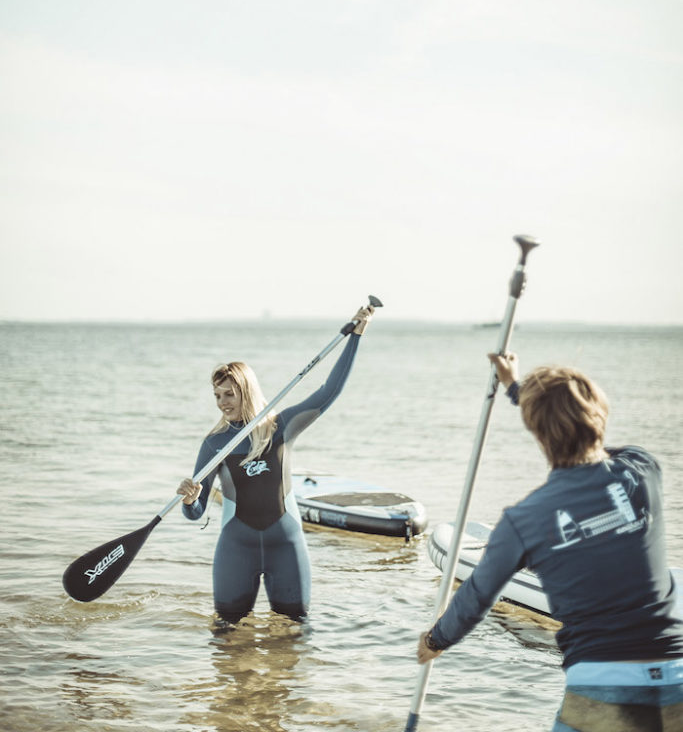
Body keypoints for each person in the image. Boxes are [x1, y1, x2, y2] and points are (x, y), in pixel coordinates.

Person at [417, 352, 683, 731]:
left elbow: (478, 595)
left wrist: (436, 639)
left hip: (602, 689)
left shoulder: (524, 520)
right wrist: (517, 388)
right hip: (675, 679)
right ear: (599, 414)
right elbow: (594, 444)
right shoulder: (643, 471)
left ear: (538, 433)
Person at [177, 304, 374, 625]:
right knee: (226, 638)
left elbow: (330, 390)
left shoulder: (281, 427)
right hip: (235, 549)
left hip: (287, 545)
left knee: (295, 636)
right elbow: (196, 512)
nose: (222, 402)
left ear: (246, 391)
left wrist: (356, 337)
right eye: (217, 396)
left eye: (229, 394)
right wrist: (189, 499)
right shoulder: (214, 444)